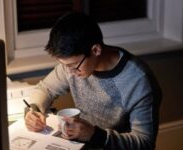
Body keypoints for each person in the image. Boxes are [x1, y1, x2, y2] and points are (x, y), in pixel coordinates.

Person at [24, 12, 162, 149]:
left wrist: (95, 135)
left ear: (96, 50)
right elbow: (45, 89)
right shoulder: (72, 66)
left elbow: (145, 143)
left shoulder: (138, 81)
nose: (70, 72)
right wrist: (33, 110)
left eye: (73, 65)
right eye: (65, 65)